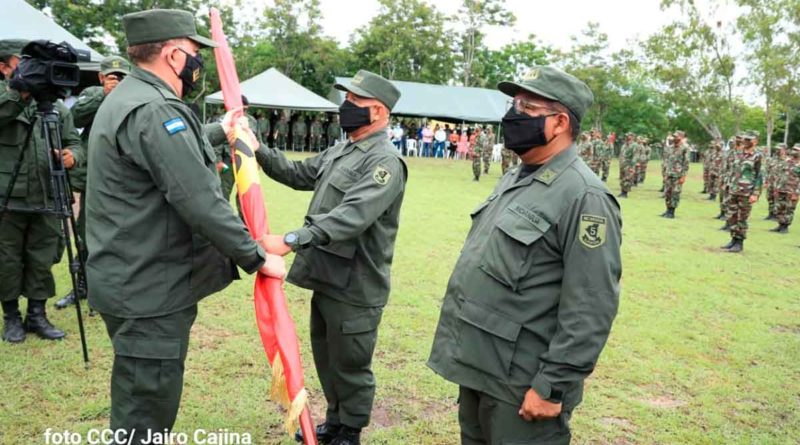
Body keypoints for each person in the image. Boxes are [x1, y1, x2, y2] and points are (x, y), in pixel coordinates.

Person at [84, 9, 285, 441]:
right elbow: (200, 200)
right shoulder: (155, 108)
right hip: (148, 291)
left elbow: (161, 151)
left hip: (128, 279)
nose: (199, 63)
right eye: (195, 53)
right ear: (174, 55)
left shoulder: (130, 98)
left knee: (141, 400)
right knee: (145, 417)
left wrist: (221, 128)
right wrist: (256, 256)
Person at [428, 66, 621, 445]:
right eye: (514, 104)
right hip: (481, 364)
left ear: (560, 122)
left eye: (527, 107)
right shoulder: (518, 176)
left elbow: (590, 305)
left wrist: (552, 386)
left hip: (523, 383)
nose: (513, 115)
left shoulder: (585, 197)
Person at [251, 70, 407, 445]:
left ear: (379, 112)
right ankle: (335, 422)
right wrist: (257, 149)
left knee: (351, 364)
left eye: (355, 102)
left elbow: (351, 215)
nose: (345, 107)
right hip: (327, 276)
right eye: (346, 99)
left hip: (356, 283)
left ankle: (349, 432)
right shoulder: (343, 149)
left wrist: (292, 239)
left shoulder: (384, 162)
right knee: (327, 357)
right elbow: (298, 172)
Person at [1, 38, 86, 343]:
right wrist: (19, 92)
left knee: (43, 258)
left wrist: (71, 155)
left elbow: (75, 142)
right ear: (4, 68)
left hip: (48, 195)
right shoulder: (6, 99)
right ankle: (11, 317)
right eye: (21, 65)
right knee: (7, 259)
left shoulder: (56, 109)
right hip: (8, 200)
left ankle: (37, 314)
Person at [52, 55, 131, 309]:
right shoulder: (93, 93)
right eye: (112, 76)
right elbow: (74, 119)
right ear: (101, 77)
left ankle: (118, 287)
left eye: (122, 77)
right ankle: (83, 286)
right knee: (88, 233)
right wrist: (104, 96)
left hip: (127, 176)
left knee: (126, 233)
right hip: (96, 177)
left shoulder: (137, 96)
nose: (117, 81)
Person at [721, 131, 763, 252]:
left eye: (748, 140)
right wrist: (728, 184)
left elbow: (760, 176)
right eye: (744, 139)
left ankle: (739, 243)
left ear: (755, 141)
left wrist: (755, 193)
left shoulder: (757, 156)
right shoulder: (738, 154)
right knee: (732, 216)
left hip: (746, 192)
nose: (745, 141)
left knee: (742, 218)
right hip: (734, 190)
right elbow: (733, 171)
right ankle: (733, 239)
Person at [771, 143, 800, 233]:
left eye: (797, 150)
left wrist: (797, 193)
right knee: (779, 208)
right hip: (781, 188)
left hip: (792, 190)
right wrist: (776, 188)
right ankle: (780, 224)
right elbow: (780, 175)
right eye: (794, 149)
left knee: (789, 209)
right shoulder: (786, 161)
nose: (794, 151)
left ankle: (785, 226)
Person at [662, 131, 690, 218]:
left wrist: (683, 176)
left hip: (678, 175)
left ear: (681, 137)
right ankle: (667, 210)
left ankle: (672, 212)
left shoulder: (685, 148)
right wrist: (665, 173)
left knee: (675, 193)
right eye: (674, 136)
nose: (674, 138)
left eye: (676, 136)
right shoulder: (670, 147)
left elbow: (686, 163)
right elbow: (667, 161)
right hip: (669, 173)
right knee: (667, 192)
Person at [617, 133, 637, 198]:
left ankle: (625, 193)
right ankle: (622, 191)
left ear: (632, 137)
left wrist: (632, 166)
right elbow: (621, 154)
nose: (627, 137)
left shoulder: (634, 145)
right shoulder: (624, 145)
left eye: (629, 136)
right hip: (623, 164)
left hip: (629, 164)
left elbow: (635, 156)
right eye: (626, 136)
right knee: (622, 178)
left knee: (627, 178)